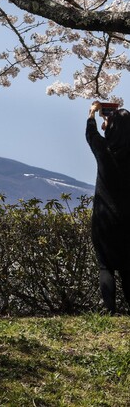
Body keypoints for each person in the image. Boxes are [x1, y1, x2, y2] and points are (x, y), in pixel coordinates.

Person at [86, 101, 130, 314]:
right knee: (128, 268)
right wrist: (111, 122)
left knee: (106, 266)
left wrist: (92, 115)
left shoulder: (104, 150)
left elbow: (91, 136)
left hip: (104, 218)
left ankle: (111, 311)